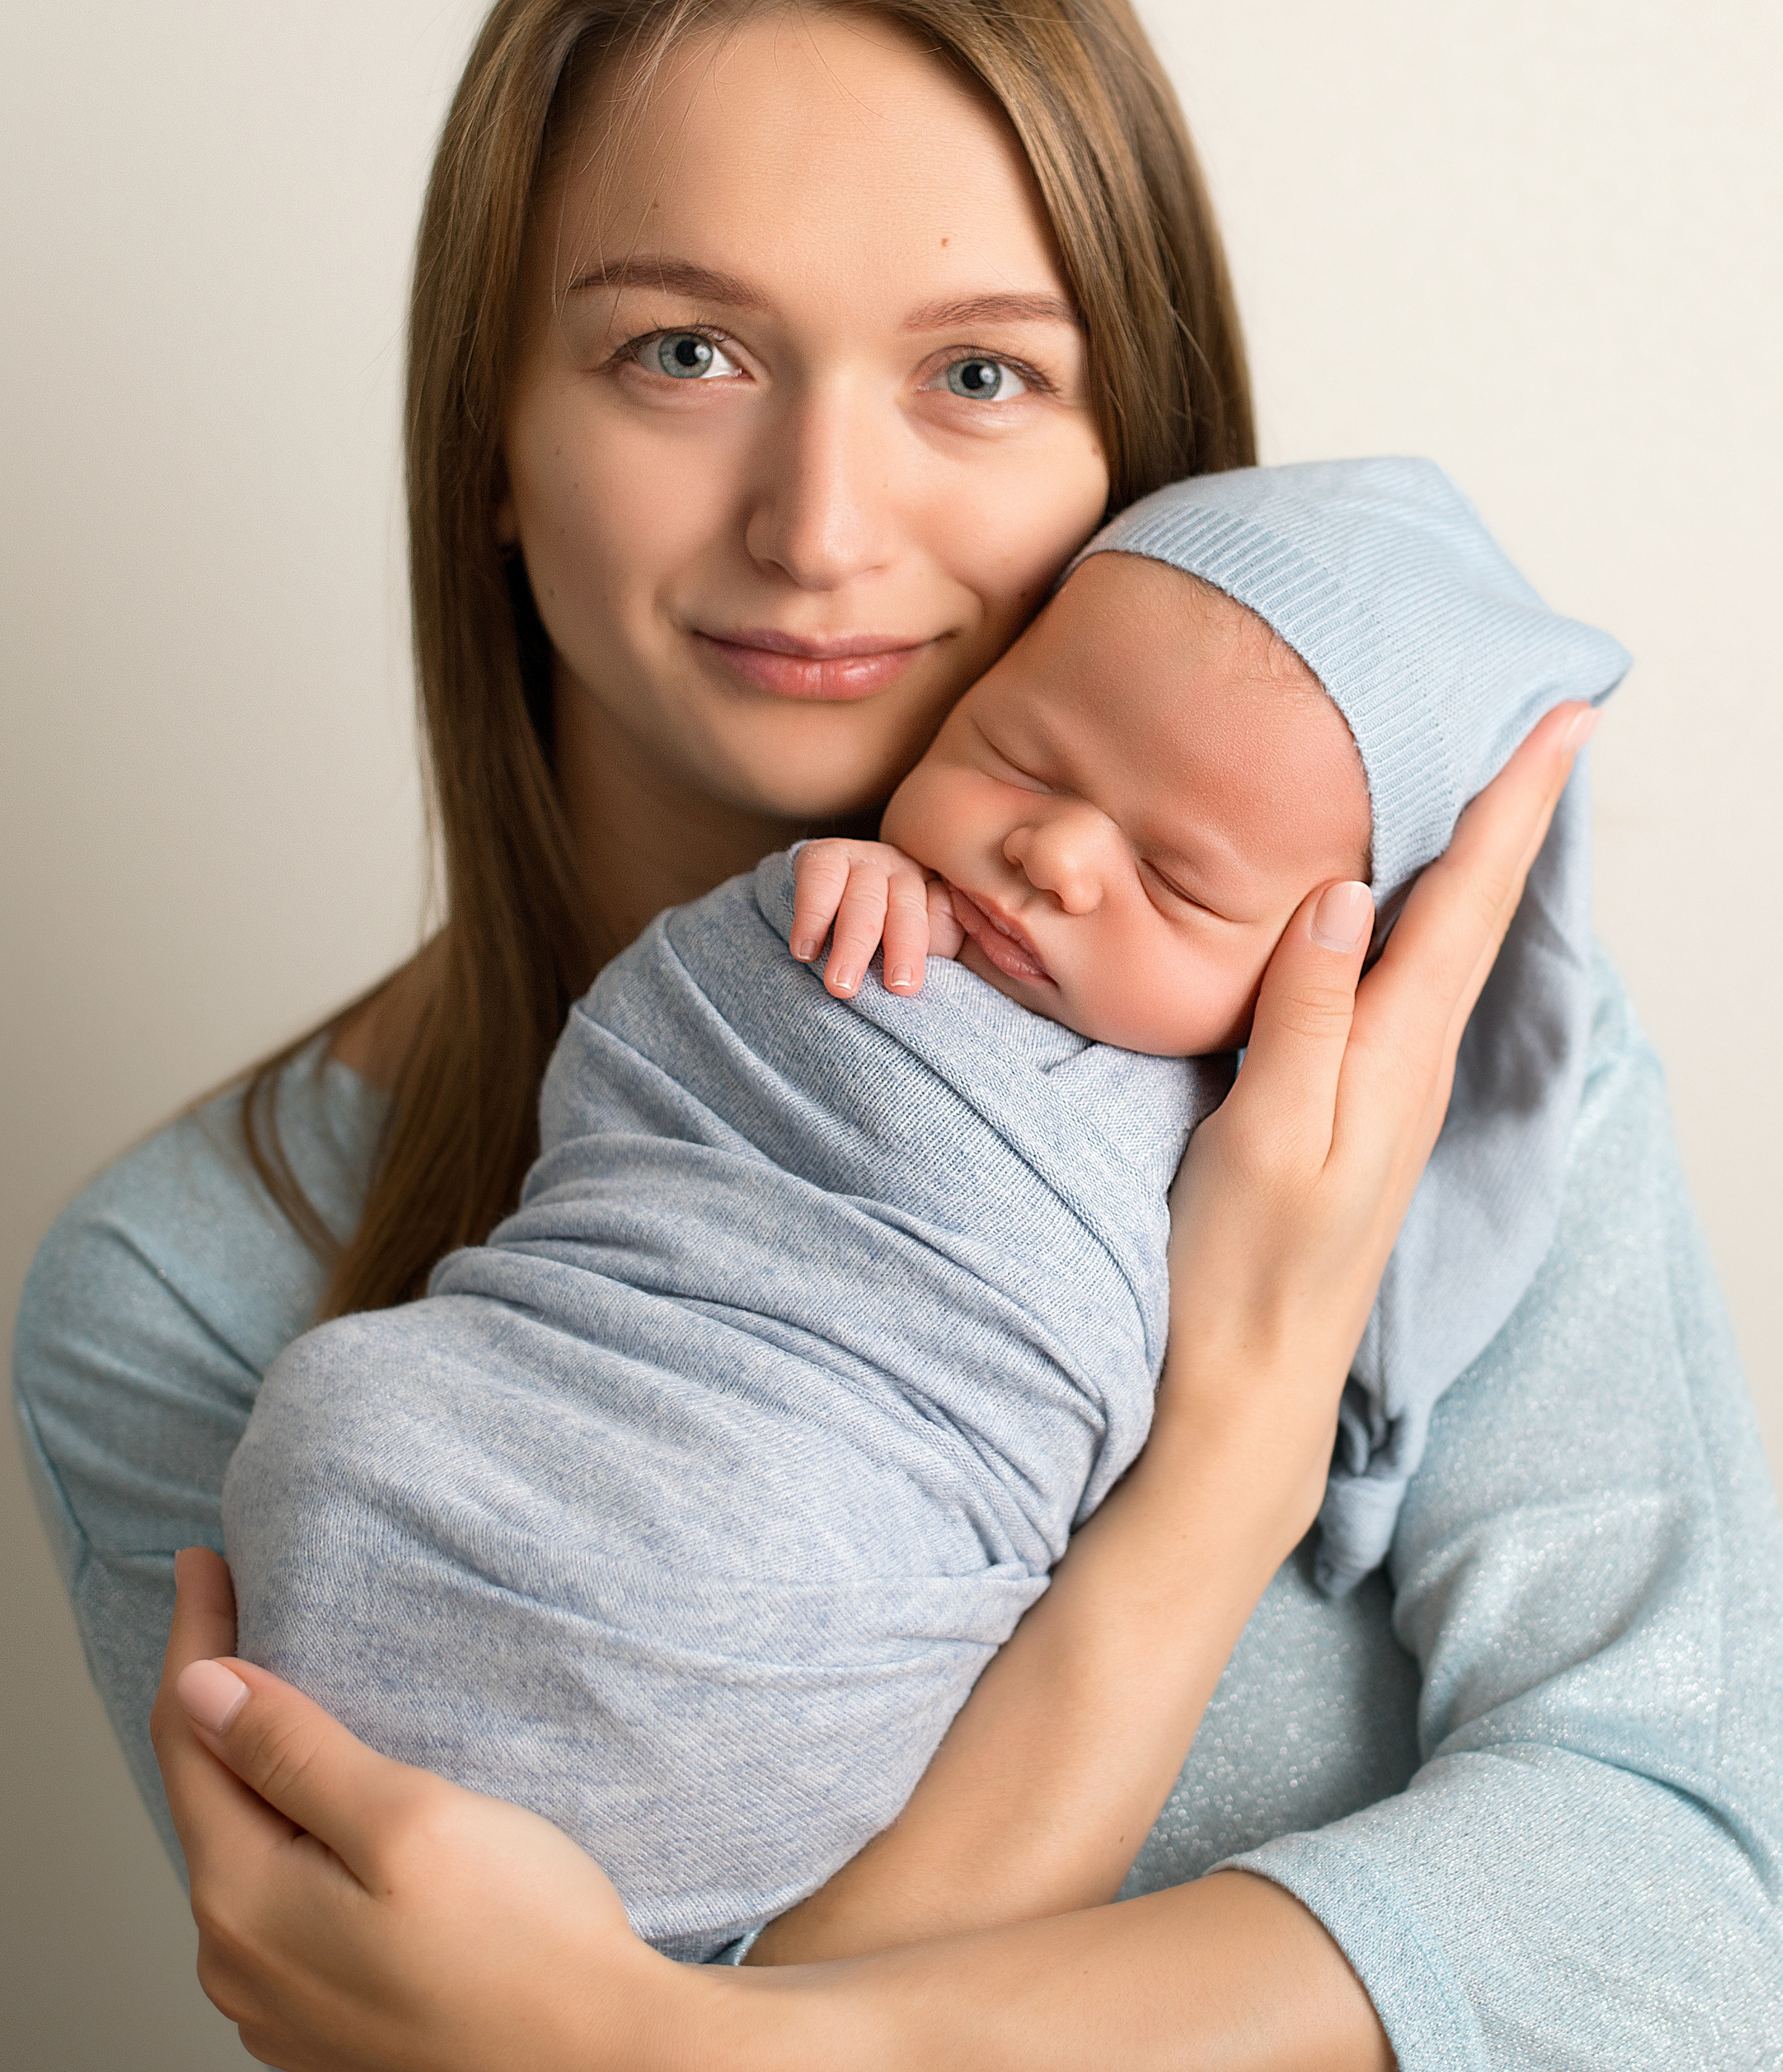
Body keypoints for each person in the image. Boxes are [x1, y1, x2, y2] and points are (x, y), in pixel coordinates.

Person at [13, 0, 1783, 2072]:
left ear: (1135, 469)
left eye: (981, 369)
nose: (823, 516)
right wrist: (1219, 1469)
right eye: (682, 350)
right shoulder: (201, 1288)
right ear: (493, 463)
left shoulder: (1398, 1049)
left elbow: (1705, 1913)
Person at [223, 453, 1628, 1966]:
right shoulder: (852, 915)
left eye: (1177, 877)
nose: (1054, 855)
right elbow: (635, 1094)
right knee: (347, 1414)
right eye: (1017, 757)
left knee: (756, 1552)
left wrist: (1263, 1376)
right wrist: (808, 917)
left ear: (1327, 973)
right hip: (511, 1421)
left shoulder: (1287, 1159)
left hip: (785, 1582)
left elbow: (1698, 1924)